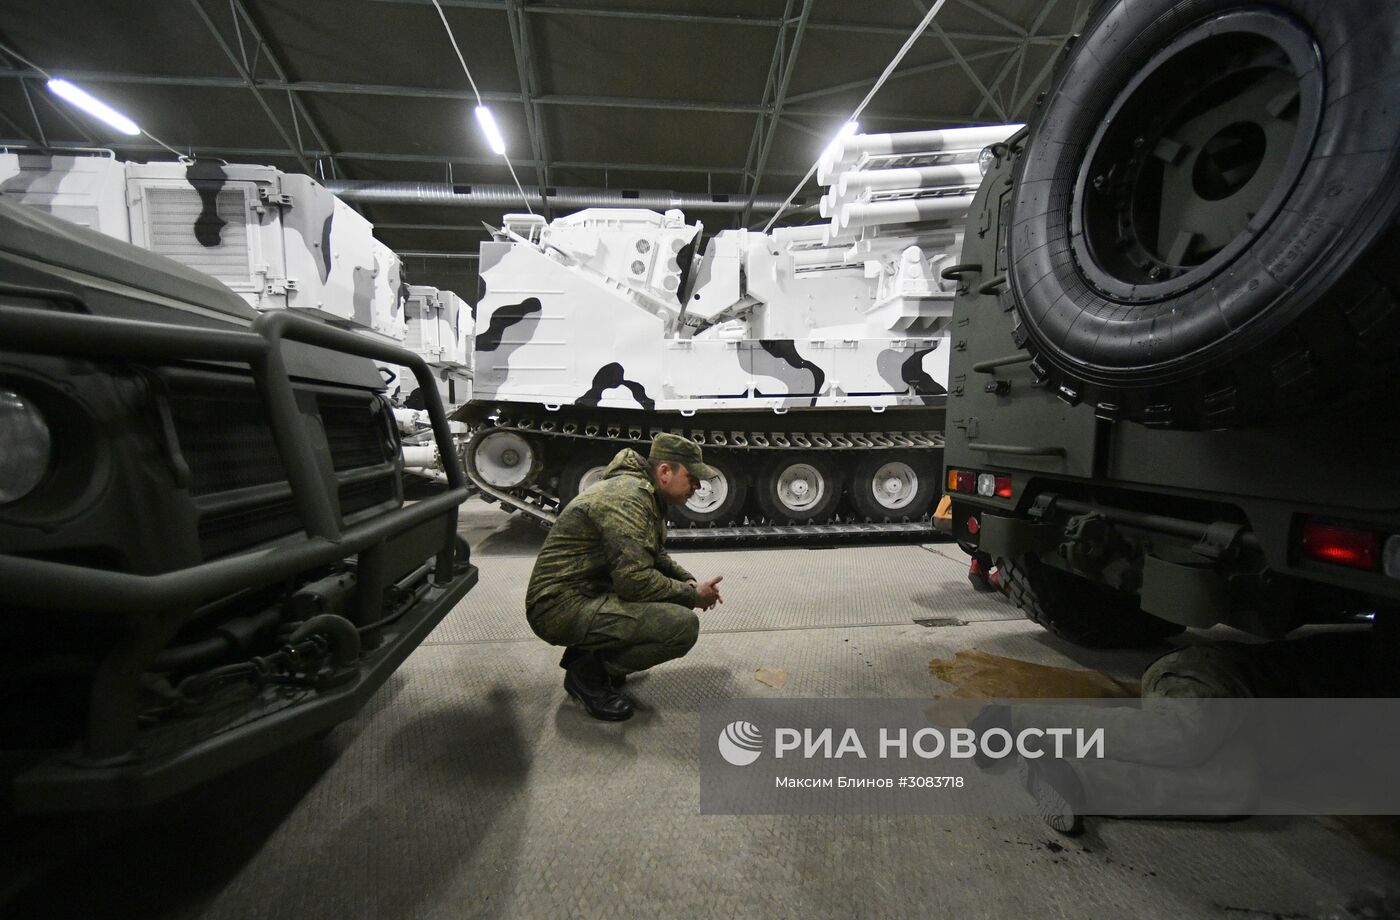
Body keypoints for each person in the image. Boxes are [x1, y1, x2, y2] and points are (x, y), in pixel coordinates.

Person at [526, 433, 725, 721]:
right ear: (665, 471)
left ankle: (587, 655)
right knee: (682, 626)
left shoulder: (643, 492)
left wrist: (689, 582)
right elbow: (636, 581)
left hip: (583, 592)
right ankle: (587, 674)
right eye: (692, 477)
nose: (698, 486)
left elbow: (653, 555)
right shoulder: (628, 497)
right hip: (557, 607)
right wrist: (693, 596)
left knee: (672, 596)